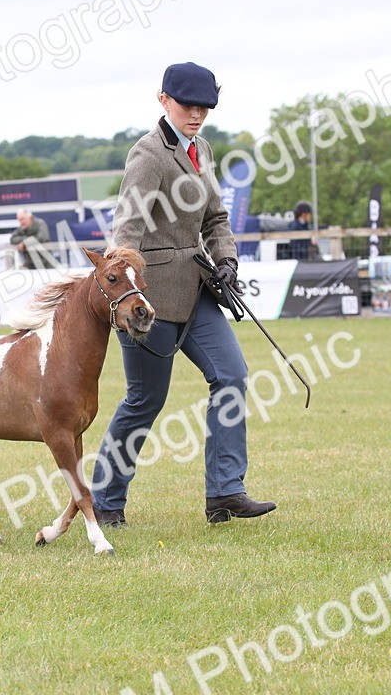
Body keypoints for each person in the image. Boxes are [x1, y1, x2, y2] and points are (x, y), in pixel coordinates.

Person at [91, 62, 276, 528]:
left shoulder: (203, 149)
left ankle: (226, 492)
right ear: (163, 100)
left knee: (232, 375)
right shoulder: (148, 155)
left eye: (204, 108)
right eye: (187, 106)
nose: (196, 115)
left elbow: (214, 218)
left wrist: (227, 260)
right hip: (149, 300)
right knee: (145, 400)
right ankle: (106, 500)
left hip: (198, 291)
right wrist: (127, 285)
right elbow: (127, 228)